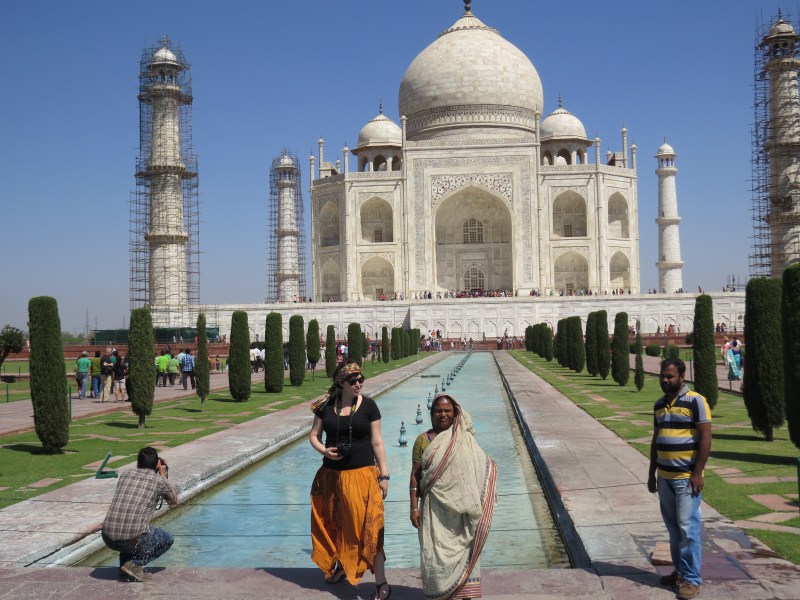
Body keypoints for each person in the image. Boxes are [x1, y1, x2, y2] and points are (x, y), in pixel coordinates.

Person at [308, 362, 391, 599]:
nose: (358, 384)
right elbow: (314, 436)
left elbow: (377, 441)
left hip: (362, 475)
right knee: (332, 525)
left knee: (370, 529)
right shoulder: (325, 406)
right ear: (341, 383)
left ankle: (381, 582)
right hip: (330, 477)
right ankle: (342, 567)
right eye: (353, 381)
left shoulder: (369, 406)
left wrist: (384, 475)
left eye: (360, 379)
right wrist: (324, 451)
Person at [409, 393, 497, 600]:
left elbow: (479, 468)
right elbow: (415, 476)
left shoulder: (465, 439)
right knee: (434, 555)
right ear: (431, 413)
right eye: (438, 411)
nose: (443, 414)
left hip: (462, 512)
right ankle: (439, 593)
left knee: (464, 552)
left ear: (455, 413)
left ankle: (463, 594)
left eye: (447, 410)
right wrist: (413, 507)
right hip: (433, 510)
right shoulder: (422, 440)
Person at [648, 359, 711, 600]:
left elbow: (706, 438)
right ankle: (680, 572)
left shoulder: (696, 401)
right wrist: (651, 473)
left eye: (670, 376)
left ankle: (692, 579)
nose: (665, 380)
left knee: (688, 528)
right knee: (674, 529)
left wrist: (698, 472)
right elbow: (656, 440)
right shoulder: (659, 404)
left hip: (686, 478)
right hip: (664, 477)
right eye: (662, 376)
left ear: (682, 377)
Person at [101, 446, 178, 582]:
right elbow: (174, 501)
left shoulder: (125, 475)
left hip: (107, 536)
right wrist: (162, 474)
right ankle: (135, 564)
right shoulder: (159, 481)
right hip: (130, 540)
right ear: (157, 464)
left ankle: (124, 570)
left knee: (129, 527)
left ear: (137, 464)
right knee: (167, 539)